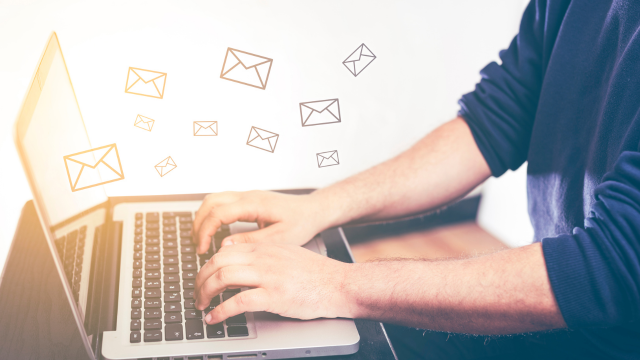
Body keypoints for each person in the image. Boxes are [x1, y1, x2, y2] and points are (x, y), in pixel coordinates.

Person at [191, 1, 640, 359]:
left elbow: (610, 270)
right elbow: (496, 121)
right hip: (571, 319)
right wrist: (315, 208)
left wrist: (334, 285)